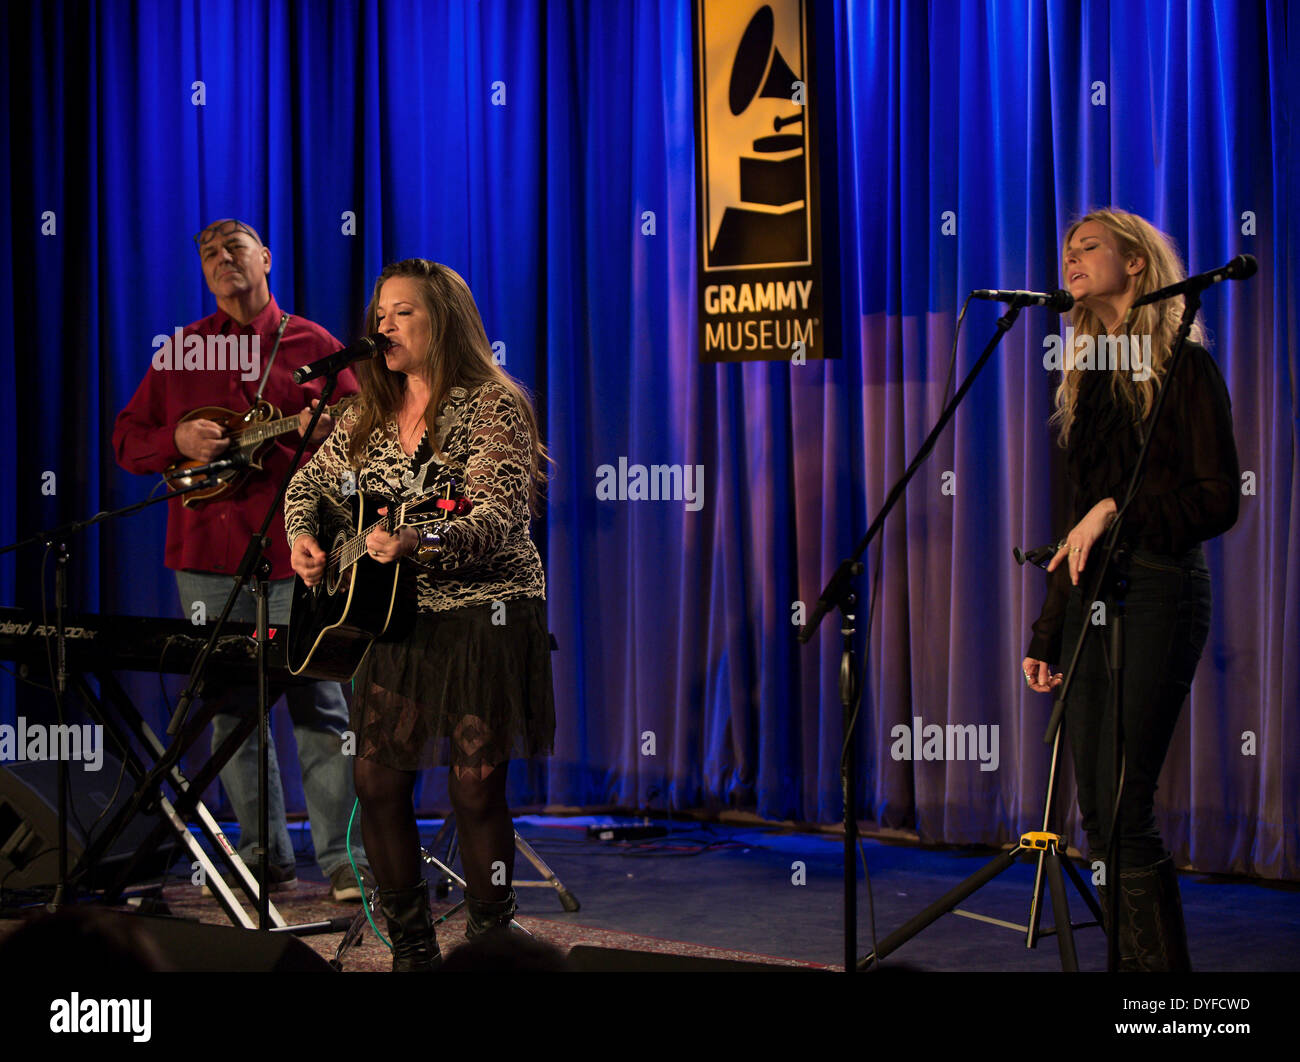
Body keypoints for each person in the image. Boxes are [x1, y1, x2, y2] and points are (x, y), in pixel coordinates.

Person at [285, 258, 555, 971]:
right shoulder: (362, 413)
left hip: (483, 611)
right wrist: (302, 538)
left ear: (445, 320)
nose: (385, 325)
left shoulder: (491, 405)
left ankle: (492, 946)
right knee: (376, 781)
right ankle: (412, 949)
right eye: (381, 312)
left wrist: (418, 538)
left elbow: (498, 519)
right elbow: (304, 487)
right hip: (395, 617)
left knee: (474, 784)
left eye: (403, 311)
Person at [112, 218, 369, 902]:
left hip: (294, 556)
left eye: (235, 248)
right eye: (208, 253)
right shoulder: (182, 351)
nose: (222, 259)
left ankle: (345, 864)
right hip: (202, 558)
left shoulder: (316, 347)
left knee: (320, 703)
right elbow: (126, 440)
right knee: (230, 711)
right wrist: (177, 436)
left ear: (267, 258)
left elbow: (365, 443)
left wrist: (311, 443)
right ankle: (263, 857)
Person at [1023, 208, 1240, 971]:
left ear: (1137, 264)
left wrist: (1119, 508)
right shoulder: (1083, 380)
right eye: (1066, 250)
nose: (1072, 259)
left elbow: (1218, 501)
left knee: (1123, 811)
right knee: (1096, 820)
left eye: (1089, 247)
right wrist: (1051, 627)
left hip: (1160, 591)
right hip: (1092, 600)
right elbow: (1075, 524)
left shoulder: (1185, 368)